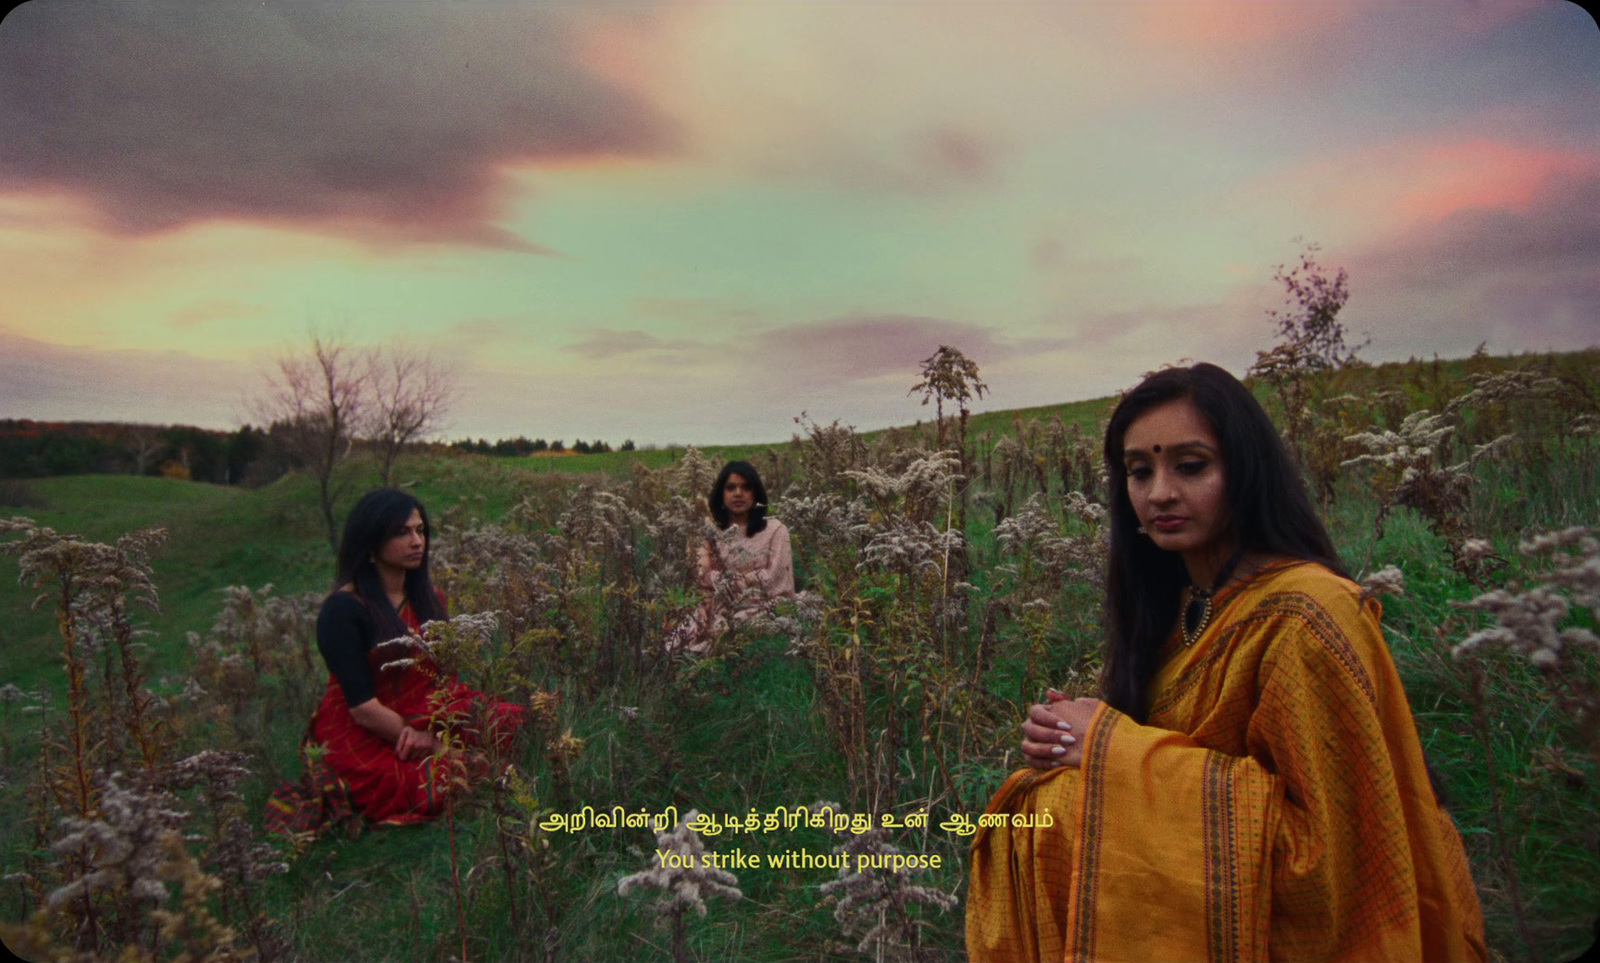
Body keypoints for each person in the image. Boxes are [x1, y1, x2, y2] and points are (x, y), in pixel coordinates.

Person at [965, 363, 1486, 962]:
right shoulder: (1182, 607)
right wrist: (1074, 745)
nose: (1160, 492)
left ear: (1246, 471)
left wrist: (1112, 749)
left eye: (1191, 466)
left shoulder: (1307, 616)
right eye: (1139, 471)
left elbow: (1327, 868)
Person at [266, 488, 524, 836]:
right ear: (371, 542)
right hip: (367, 728)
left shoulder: (430, 599)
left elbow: (442, 679)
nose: (417, 541)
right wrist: (428, 742)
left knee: (512, 724)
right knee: (442, 781)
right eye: (402, 533)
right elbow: (362, 708)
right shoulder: (343, 610)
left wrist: (440, 730)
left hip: (428, 708)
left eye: (420, 530)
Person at [664, 460, 795, 654]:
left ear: (756, 492)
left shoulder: (776, 530)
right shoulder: (707, 532)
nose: (738, 493)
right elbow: (699, 576)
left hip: (764, 606)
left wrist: (737, 582)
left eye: (746, 487)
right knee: (677, 644)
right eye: (731, 487)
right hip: (714, 606)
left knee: (733, 632)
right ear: (721, 494)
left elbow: (777, 578)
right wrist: (711, 593)